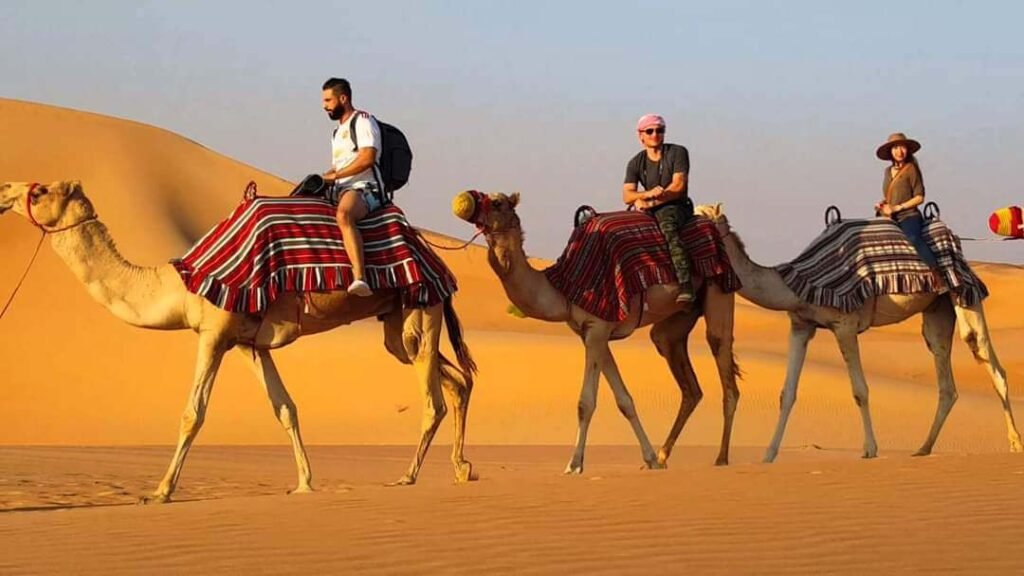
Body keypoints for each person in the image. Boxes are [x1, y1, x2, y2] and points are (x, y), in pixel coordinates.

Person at [321, 77, 386, 297]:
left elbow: (367, 158)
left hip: (364, 187)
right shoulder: (337, 133)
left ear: (343, 98)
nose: (325, 106)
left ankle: (360, 277)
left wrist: (337, 175)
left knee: (344, 214)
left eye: (328, 100)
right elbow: (338, 166)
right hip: (340, 188)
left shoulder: (363, 121)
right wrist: (323, 178)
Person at [622, 114, 695, 303]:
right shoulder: (635, 163)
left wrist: (652, 201)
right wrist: (645, 196)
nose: (655, 134)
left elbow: (678, 187)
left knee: (668, 227)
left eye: (659, 130)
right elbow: (627, 195)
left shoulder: (678, 153)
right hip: (649, 207)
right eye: (650, 131)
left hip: (676, 206)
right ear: (641, 136)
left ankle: (686, 284)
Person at [874, 132, 940, 270]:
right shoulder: (887, 171)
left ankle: (937, 275)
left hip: (908, 215)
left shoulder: (911, 169)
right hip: (890, 217)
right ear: (890, 152)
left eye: (902, 147)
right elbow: (890, 196)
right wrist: (882, 204)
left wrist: (898, 208)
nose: (899, 151)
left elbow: (919, 197)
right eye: (895, 148)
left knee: (912, 239)